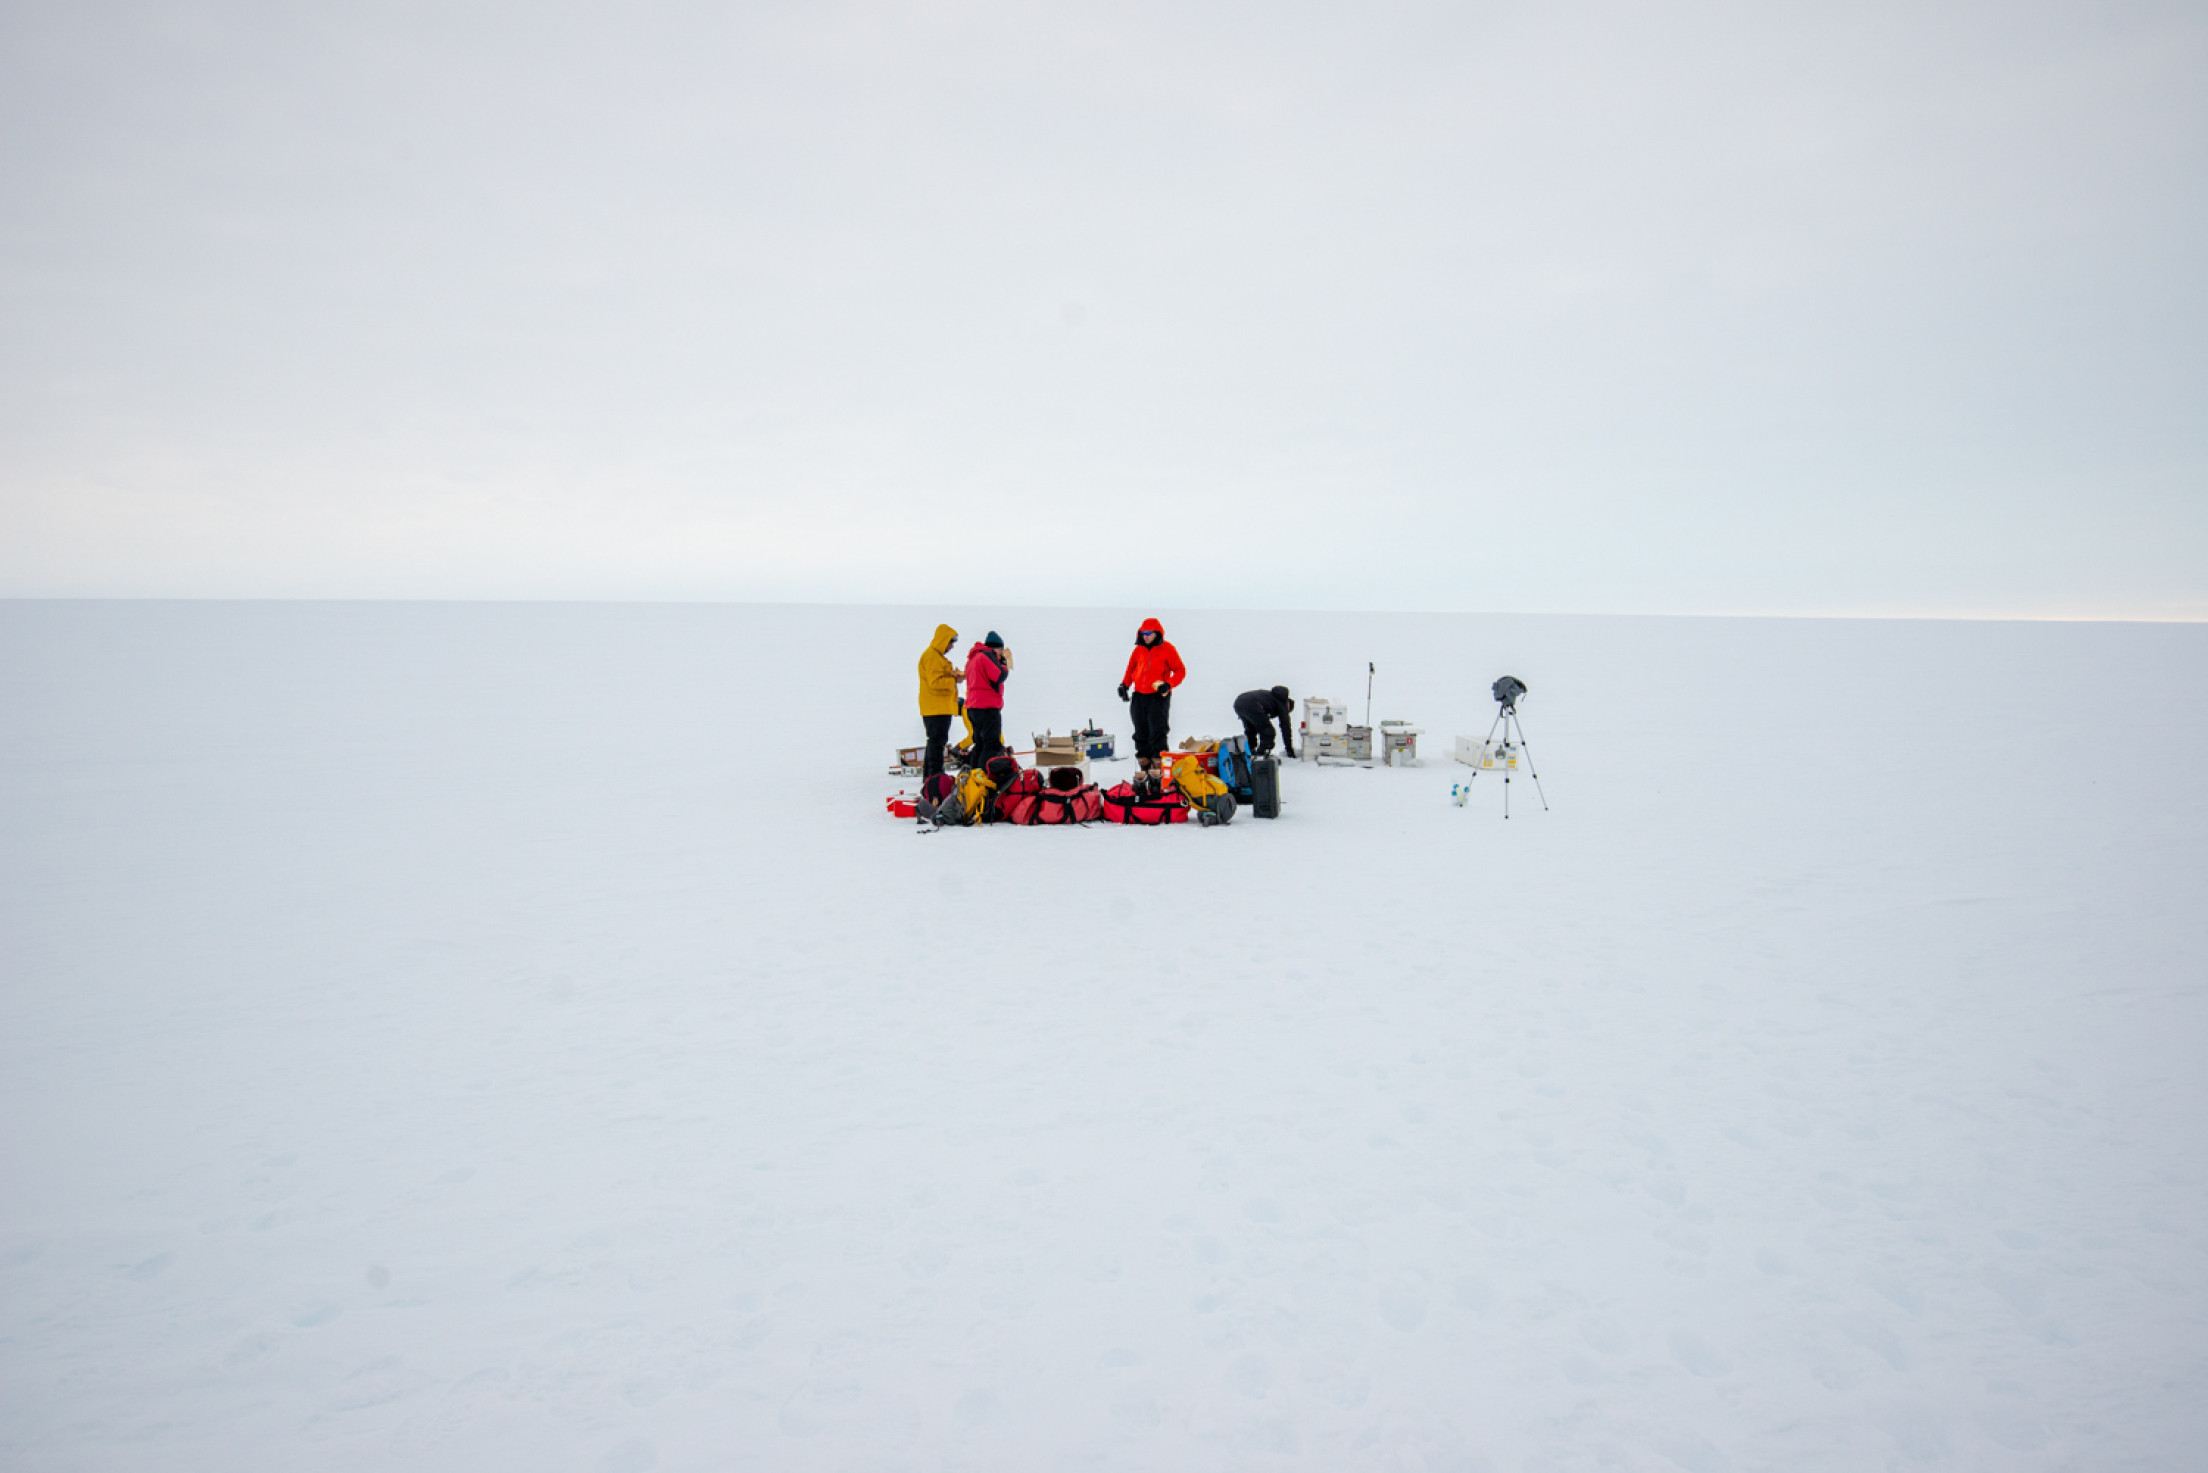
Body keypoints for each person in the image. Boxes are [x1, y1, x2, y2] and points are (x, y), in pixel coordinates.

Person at [1116, 617, 1185, 769]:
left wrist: (1168, 685)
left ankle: (1159, 771)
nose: (1145, 636)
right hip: (1139, 696)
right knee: (1140, 732)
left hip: (1158, 697)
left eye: (1149, 633)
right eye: (1143, 633)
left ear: (1157, 633)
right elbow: (1131, 669)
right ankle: (1144, 768)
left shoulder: (1168, 649)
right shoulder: (1138, 650)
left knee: (1157, 732)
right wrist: (1124, 685)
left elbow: (1180, 671)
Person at [916, 623, 964, 779]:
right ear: (943, 640)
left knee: (935, 742)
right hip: (935, 709)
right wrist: (953, 680)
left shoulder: (935, 657)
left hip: (937, 707)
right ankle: (935, 774)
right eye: (951, 643)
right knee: (937, 743)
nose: (951, 647)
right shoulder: (932, 657)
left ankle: (930, 775)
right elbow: (935, 683)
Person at [964, 631, 1012, 765]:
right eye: (1001, 650)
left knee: (979, 744)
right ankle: (984, 775)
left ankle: (974, 774)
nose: (1001, 653)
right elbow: (998, 676)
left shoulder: (973, 659)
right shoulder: (987, 656)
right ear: (996, 648)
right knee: (991, 744)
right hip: (987, 707)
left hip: (973, 707)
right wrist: (1005, 664)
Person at [1233, 685, 1296, 759]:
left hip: (1239, 702)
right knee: (1268, 732)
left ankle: (1249, 751)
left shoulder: (1269, 696)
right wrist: (1289, 750)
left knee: (1251, 729)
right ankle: (1261, 755)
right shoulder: (1282, 703)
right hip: (1253, 704)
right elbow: (1286, 728)